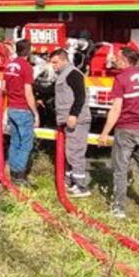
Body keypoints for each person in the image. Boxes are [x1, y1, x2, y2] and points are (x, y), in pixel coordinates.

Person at [98, 47, 139, 219]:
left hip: (126, 129)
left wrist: (104, 133)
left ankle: (118, 209)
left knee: (120, 170)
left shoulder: (121, 79)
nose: (115, 60)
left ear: (125, 60)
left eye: (118, 58)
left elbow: (116, 109)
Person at [49, 48, 92, 197]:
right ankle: (71, 182)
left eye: (55, 62)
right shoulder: (62, 75)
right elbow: (53, 91)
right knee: (70, 152)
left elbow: (80, 96)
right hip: (67, 120)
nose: (53, 66)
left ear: (63, 60)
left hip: (78, 120)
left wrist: (73, 115)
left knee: (76, 152)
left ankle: (82, 187)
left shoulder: (73, 74)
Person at [5, 39, 40, 186]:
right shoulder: (26, 67)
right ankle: (19, 176)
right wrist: (35, 113)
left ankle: (12, 172)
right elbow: (28, 92)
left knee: (15, 141)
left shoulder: (9, 65)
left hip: (11, 107)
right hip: (23, 109)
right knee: (26, 143)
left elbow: (4, 87)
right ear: (29, 51)